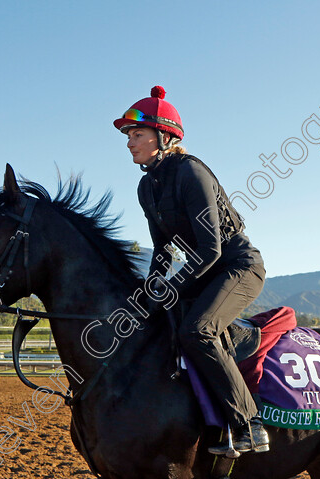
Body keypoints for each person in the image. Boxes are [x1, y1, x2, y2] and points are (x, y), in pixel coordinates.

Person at [114, 86, 268, 459]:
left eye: (138, 134)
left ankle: (250, 424)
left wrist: (173, 286)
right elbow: (163, 252)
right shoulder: (145, 186)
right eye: (129, 136)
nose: (130, 143)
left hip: (237, 267)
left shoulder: (190, 171)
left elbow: (211, 248)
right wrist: (145, 294)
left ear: (164, 137)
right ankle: (207, 425)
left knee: (197, 330)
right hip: (204, 271)